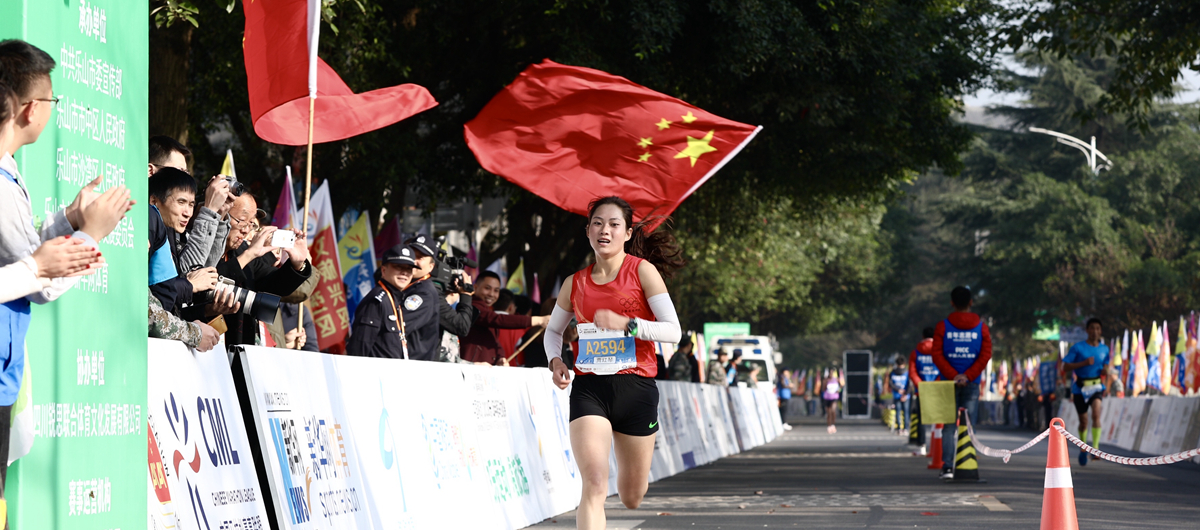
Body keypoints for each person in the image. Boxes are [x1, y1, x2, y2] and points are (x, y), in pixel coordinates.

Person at [0, 40, 134, 503]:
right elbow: (39, 280)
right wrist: (89, 236)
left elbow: (22, 253)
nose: (53, 110)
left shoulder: (8, 172)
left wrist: (70, 224)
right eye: (53, 100)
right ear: (29, 109)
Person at [543, 196, 683, 530]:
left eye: (613, 224)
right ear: (588, 231)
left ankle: (633, 486)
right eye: (597, 223)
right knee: (594, 483)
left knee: (631, 495)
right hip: (590, 389)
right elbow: (552, 332)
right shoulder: (574, 283)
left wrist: (628, 324)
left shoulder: (642, 271)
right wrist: (555, 361)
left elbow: (673, 332)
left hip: (636, 390)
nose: (605, 230)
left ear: (627, 231)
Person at [206, 193, 311, 345]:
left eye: (251, 224)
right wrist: (249, 255)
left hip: (240, 343)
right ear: (222, 215)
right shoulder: (202, 245)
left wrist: (297, 264)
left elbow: (273, 285)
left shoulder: (243, 250)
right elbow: (208, 283)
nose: (245, 230)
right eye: (242, 221)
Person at [931, 286, 992, 479]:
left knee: (949, 426)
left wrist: (953, 376)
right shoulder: (981, 328)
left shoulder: (942, 326)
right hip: (972, 383)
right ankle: (967, 462)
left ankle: (948, 466)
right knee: (969, 424)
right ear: (971, 302)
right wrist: (968, 376)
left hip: (947, 383)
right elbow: (985, 354)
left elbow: (937, 355)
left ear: (951, 303)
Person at [149, 136, 234, 271]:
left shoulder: (171, 221)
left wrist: (219, 215)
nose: (187, 212)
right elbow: (185, 273)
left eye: (186, 173)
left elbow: (204, 267)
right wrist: (209, 210)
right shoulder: (148, 216)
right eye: (178, 172)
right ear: (150, 171)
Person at [348, 245, 440, 359]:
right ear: (384, 270)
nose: (404, 273)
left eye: (408, 269)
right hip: (375, 374)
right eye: (398, 267)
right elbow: (359, 350)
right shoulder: (377, 301)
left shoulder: (394, 298)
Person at [462, 270, 548, 365]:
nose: (491, 294)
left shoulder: (488, 311)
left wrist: (500, 357)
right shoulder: (471, 306)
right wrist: (539, 320)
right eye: (487, 288)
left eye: (496, 290)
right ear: (475, 287)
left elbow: (495, 342)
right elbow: (498, 319)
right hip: (471, 368)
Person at [1062, 317, 1108, 466]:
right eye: (1092, 328)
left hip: (1096, 386)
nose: (1095, 331)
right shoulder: (1077, 348)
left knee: (1096, 414)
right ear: (1087, 330)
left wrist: (1106, 370)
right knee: (1083, 422)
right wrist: (1083, 363)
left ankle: (1095, 449)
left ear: (1100, 331)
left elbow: (1106, 365)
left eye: (1097, 328)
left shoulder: (1104, 349)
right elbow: (1065, 367)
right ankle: (1083, 448)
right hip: (1080, 388)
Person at [907, 327, 938, 453]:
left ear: (922, 336)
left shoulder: (915, 352)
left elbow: (912, 371)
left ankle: (922, 446)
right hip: (938, 390)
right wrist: (937, 384)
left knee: (921, 419)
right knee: (940, 418)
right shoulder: (939, 351)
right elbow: (943, 369)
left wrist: (920, 385)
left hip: (922, 390)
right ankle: (939, 447)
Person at [886, 356, 910, 436]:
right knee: (903, 412)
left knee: (901, 412)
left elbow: (891, 384)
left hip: (900, 395)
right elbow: (909, 384)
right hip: (901, 395)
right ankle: (903, 428)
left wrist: (902, 392)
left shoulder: (894, 372)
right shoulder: (906, 372)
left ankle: (901, 428)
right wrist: (903, 392)